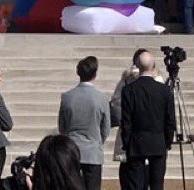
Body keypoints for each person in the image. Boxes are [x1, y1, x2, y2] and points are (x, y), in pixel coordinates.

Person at [121, 50, 175, 190]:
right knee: (157, 184)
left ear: (137, 66)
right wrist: (167, 142)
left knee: (136, 185)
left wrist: (127, 143)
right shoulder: (164, 91)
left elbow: (126, 122)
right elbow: (170, 120)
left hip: (136, 143)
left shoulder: (128, 90)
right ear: (154, 65)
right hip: (157, 142)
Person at [58, 56, 111, 190]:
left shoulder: (67, 97)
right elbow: (106, 127)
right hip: (92, 152)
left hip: (71, 150)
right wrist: (97, 142)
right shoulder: (101, 98)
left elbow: (62, 125)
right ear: (95, 74)